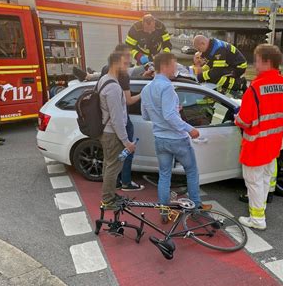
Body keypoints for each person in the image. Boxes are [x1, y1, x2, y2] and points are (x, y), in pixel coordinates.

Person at [140, 53, 212, 223]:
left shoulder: (146, 89)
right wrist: (189, 129)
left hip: (159, 138)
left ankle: (164, 211)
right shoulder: (167, 88)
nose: (176, 68)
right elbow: (169, 115)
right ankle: (196, 207)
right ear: (165, 65)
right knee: (192, 171)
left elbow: (145, 116)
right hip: (176, 139)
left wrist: (168, 112)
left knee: (164, 175)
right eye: (174, 65)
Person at [234, 44, 283, 230]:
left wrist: (237, 118)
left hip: (255, 145)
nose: (255, 64)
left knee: (253, 183)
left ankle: (257, 220)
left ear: (266, 61)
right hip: (273, 143)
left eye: (257, 60)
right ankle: (260, 211)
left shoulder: (255, 88)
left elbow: (245, 121)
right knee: (262, 180)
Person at [74, 45, 146, 191]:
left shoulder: (105, 73)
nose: (129, 64)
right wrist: (126, 142)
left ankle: (113, 190)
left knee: (109, 163)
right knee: (116, 162)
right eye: (126, 61)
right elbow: (122, 110)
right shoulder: (117, 82)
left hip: (104, 126)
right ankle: (117, 190)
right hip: (113, 129)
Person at [99, 51, 136, 208]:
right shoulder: (113, 87)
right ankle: (108, 199)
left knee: (108, 165)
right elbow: (116, 119)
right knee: (113, 167)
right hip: (112, 135)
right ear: (116, 64)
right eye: (125, 64)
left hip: (106, 132)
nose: (127, 67)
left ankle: (110, 195)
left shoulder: (104, 80)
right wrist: (126, 142)